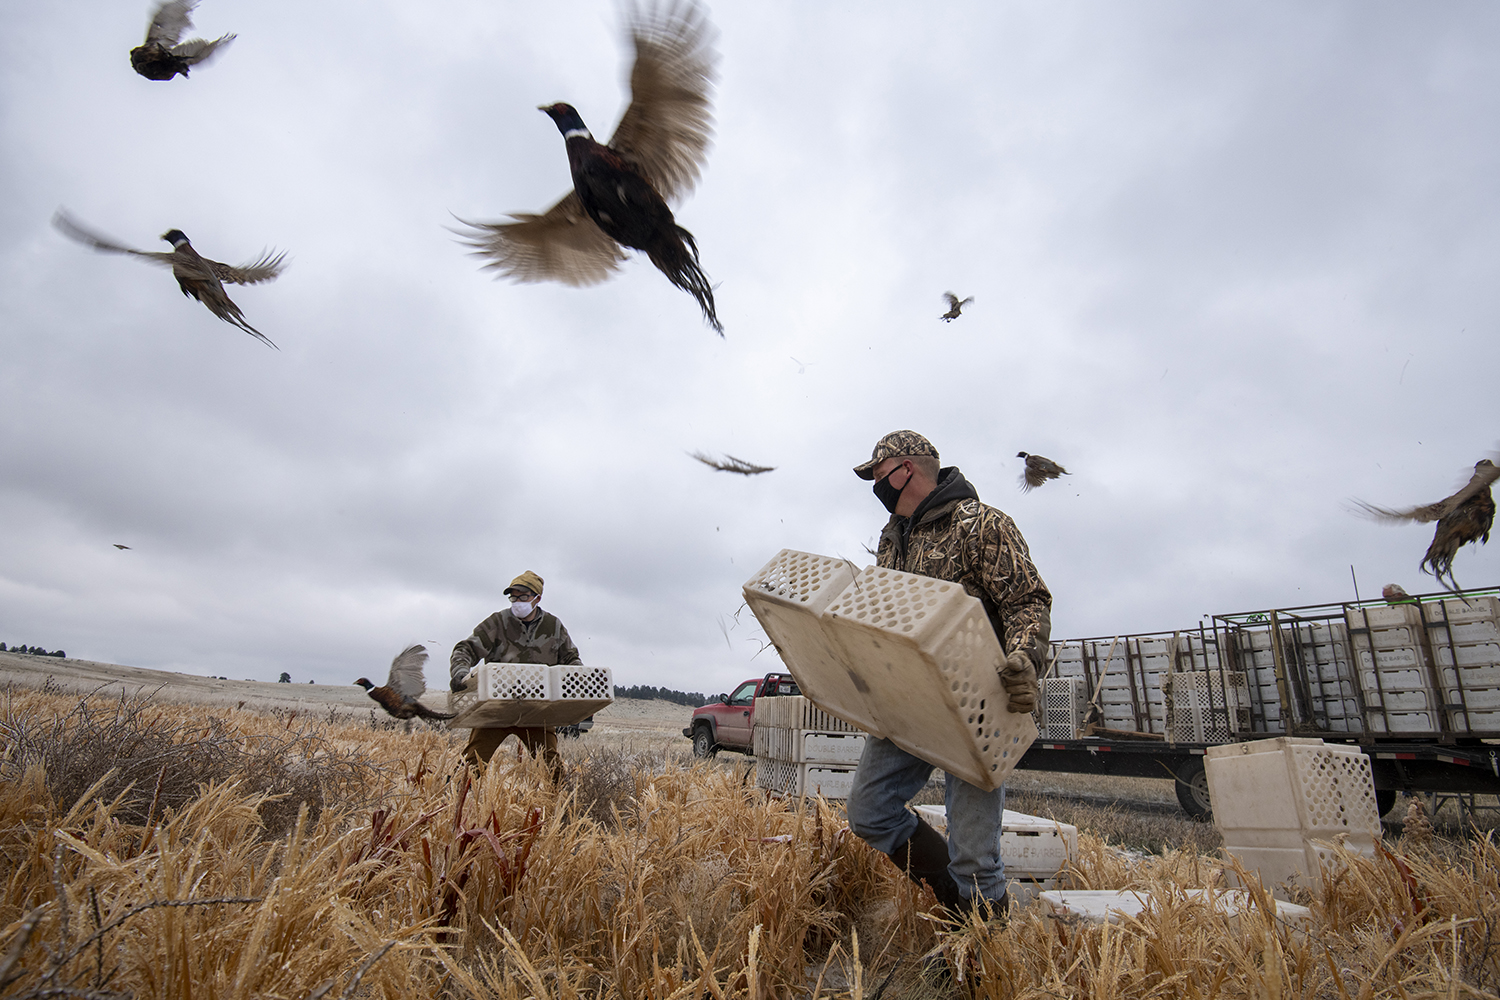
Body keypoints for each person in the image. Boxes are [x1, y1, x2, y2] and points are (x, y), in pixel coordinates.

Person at [846, 430, 1051, 920]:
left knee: (975, 856)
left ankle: (977, 945)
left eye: (878, 476)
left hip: (977, 700)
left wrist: (1025, 659)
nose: (876, 487)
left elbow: (1028, 601)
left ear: (906, 469)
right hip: (909, 697)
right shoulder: (890, 538)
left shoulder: (981, 525)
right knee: (869, 811)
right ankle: (954, 902)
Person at [449, 570, 582, 779]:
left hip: (537, 709)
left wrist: (577, 683)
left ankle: (558, 807)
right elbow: (465, 649)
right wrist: (460, 672)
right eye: (513, 597)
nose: (517, 601)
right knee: (470, 766)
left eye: (523, 597)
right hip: (497, 706)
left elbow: (571, 659)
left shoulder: (554, 626)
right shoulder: (497, 622)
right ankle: (451, 803)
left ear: (537, 598)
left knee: (553, 770)